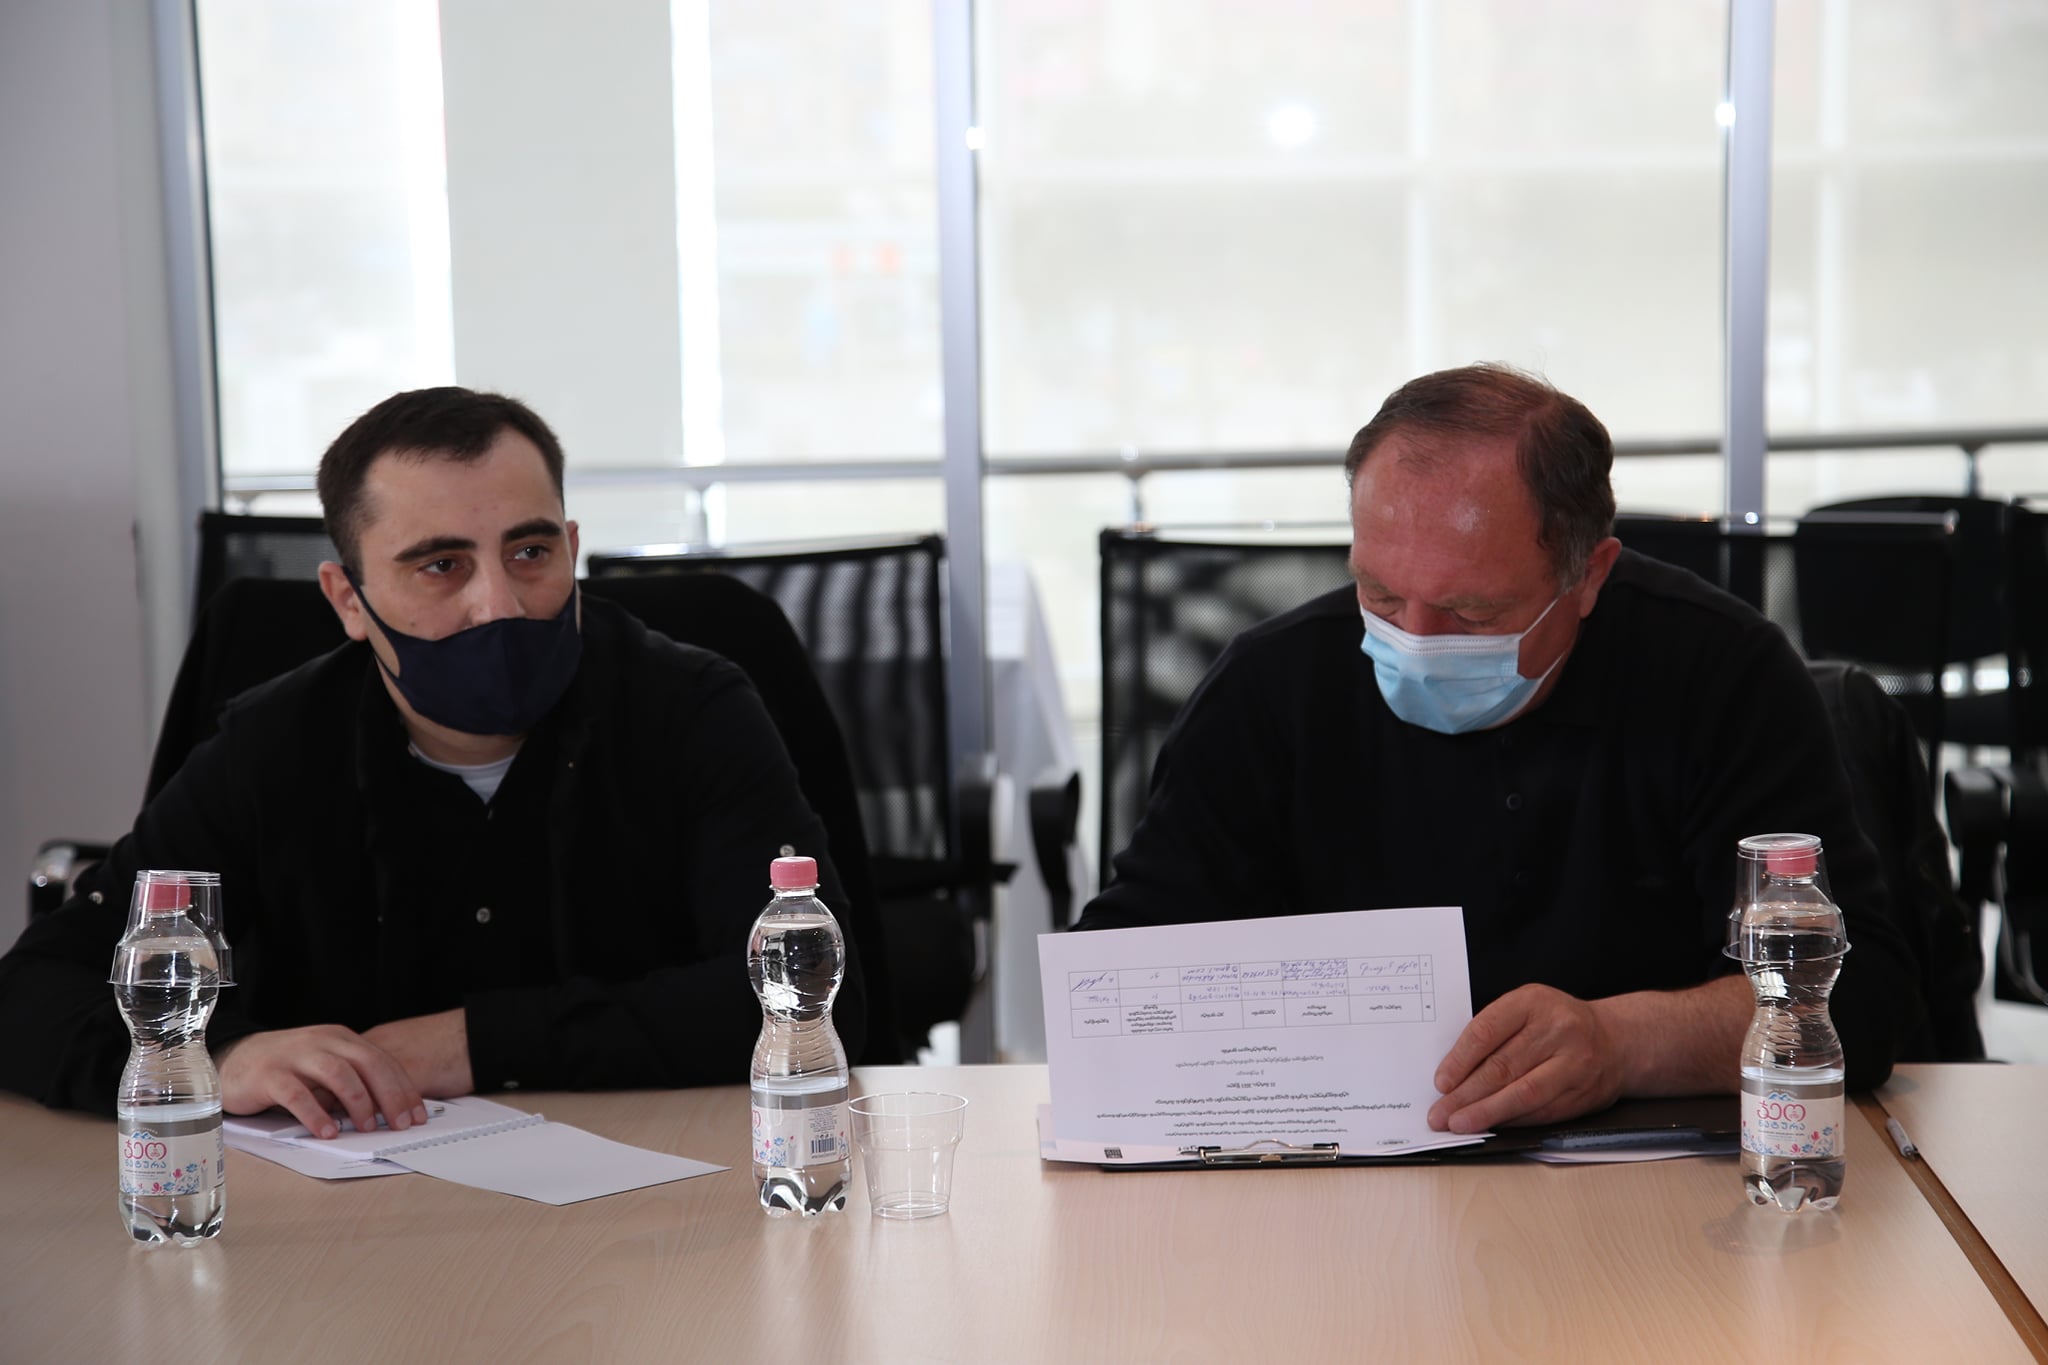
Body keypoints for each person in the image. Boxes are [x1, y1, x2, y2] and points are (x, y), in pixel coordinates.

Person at [1078, 364, 1923, 1133]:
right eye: (1380, 594)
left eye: (1472, 612)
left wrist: (1622, 1042)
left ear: (1589, 575)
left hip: (1656, 1186)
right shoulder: (1269, 687)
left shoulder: (1722, 673)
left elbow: (1860, 997)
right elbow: (1110, 985)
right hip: (1333, 1182)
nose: (1416, 640)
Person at [0, 386, 866, 1136]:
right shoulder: (273, 746)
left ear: (572, 548)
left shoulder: (692, 711)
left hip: (666, 1201)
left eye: (530, 553)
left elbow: (816, 999)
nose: (499, 604)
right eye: (442, 565)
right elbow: (34, 989)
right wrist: (216, 1056)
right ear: (349, 598)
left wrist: (470, 1043)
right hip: (348, 1223)